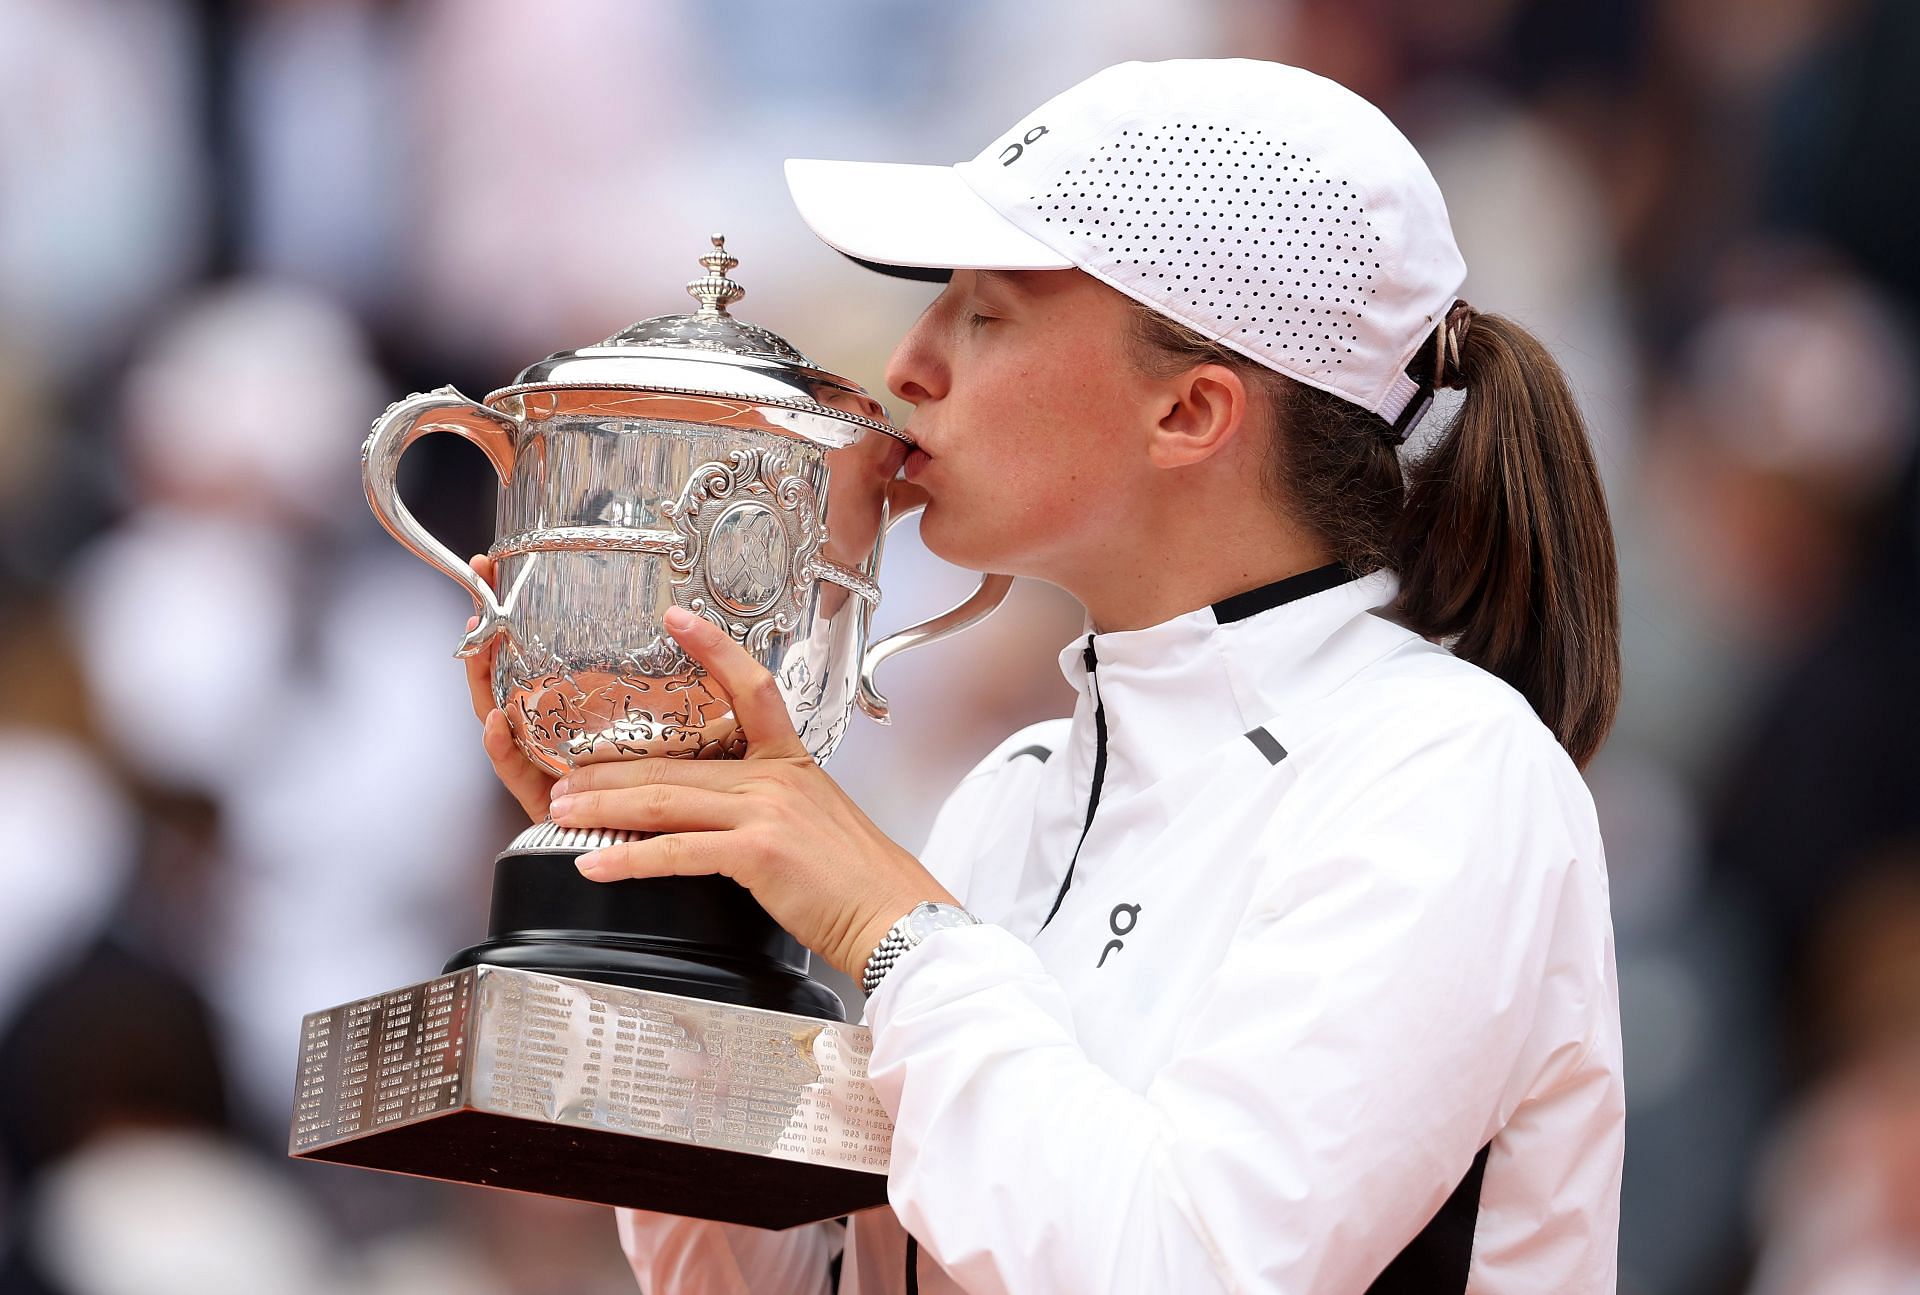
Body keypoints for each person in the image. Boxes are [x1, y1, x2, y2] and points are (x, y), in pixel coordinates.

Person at [464, 59, 1625, 1294]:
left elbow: (1190, 1269)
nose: (906, 365)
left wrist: (895, 931)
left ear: (1190, 411)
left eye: (984, 310)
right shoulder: (1012, 794)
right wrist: (684, 908)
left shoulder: (1446, 767)